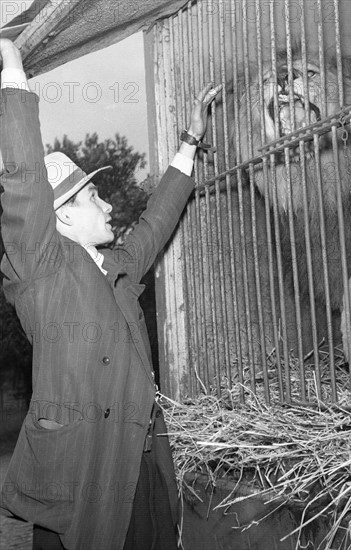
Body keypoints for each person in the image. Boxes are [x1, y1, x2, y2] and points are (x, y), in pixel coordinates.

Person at [0, 38, 221, 549]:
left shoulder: (115, 266)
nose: (107, 204)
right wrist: (13, 73)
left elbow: (156, 221)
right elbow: (25, 181)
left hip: (140, 461)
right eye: (92, 196)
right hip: (81, 475)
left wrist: (189, 141)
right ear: (61, 217)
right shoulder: (42, 268)